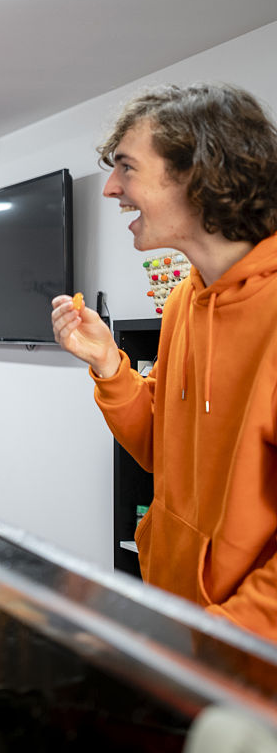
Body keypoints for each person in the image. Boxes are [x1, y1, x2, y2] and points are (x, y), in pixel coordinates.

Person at [51, 83, 277, 642]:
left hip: (242, 654)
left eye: (126, 167)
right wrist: (110, 366)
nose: (110, 188)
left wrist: (217, 643)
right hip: (182, 623)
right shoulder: (183, 300)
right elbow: (161, 447)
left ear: (200, 175)